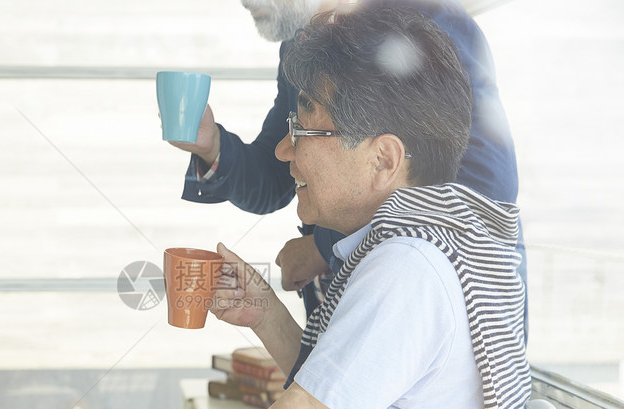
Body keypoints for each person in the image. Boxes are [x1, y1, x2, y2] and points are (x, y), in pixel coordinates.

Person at [49, 7, 531, 409]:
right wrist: (266, 314)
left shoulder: (409, 272)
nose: (285, 149)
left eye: (303, 130)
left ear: (383, 158)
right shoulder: (409, 258)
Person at [170, 0, 525, 318]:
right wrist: (211, 145)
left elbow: (486, 190)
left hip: (438, 304)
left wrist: (322, 248)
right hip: (343, 303)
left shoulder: (430, 20)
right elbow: (279, 170)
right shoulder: (305, 42)